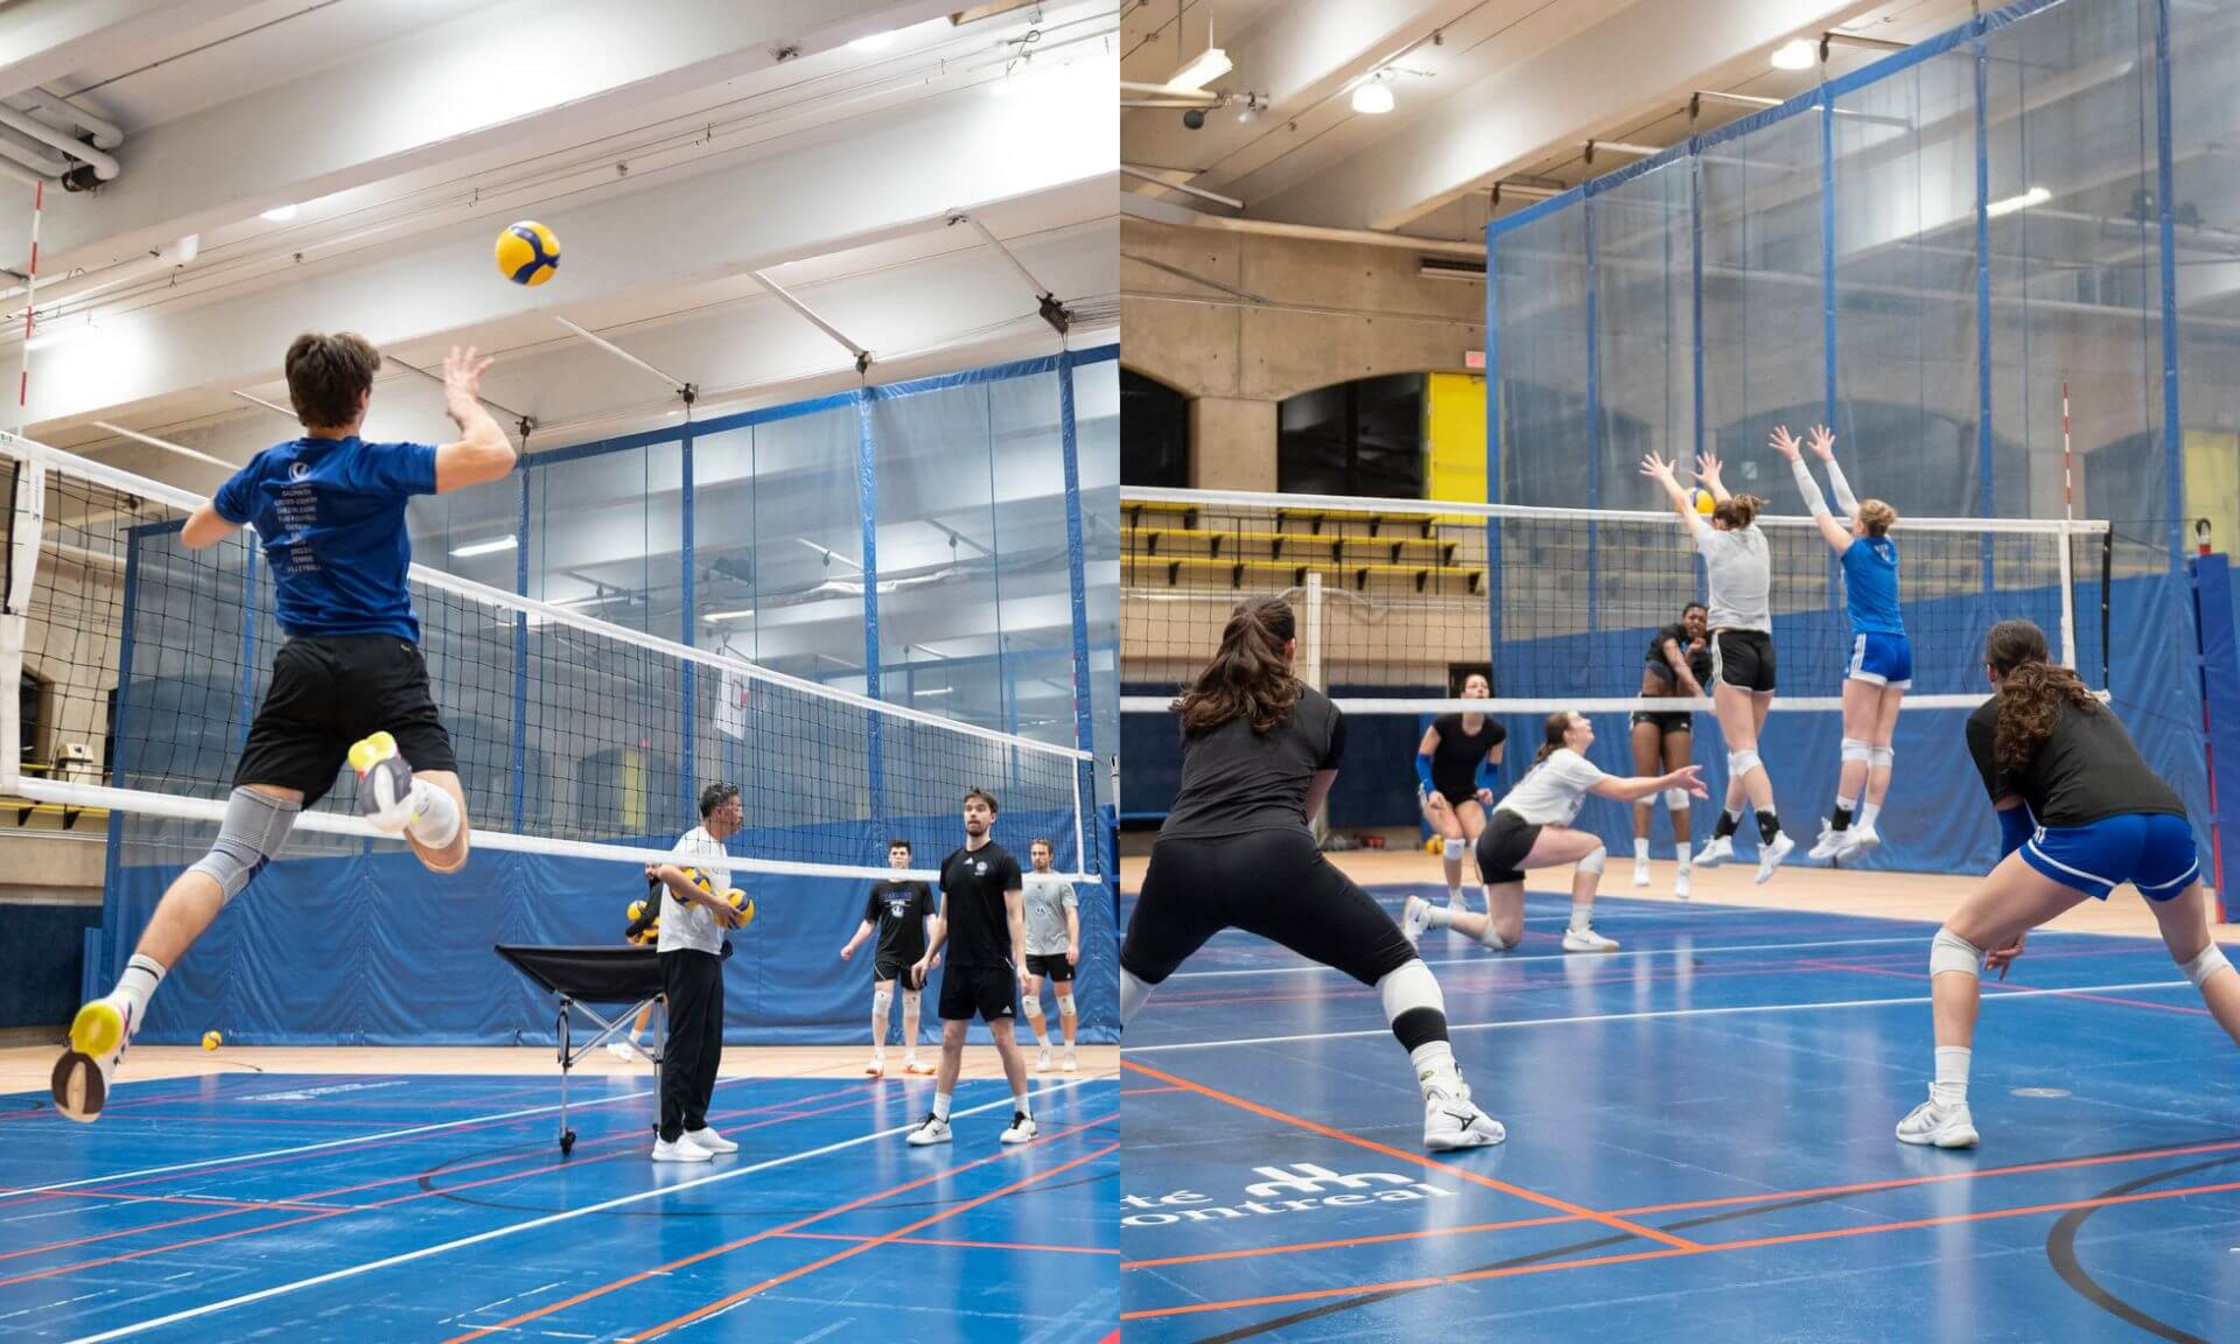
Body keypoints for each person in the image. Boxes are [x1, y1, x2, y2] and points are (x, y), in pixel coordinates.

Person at [51, 337, 514, 1123]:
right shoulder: (376, 464)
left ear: (295, 399)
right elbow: (494, 455)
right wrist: (462, 398)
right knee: (450, 849)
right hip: (382, 663)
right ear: (362, 401)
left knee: (229, 856)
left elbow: (197, 533)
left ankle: (127, 999)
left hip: (299, 673)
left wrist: (254, 513)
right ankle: (397, 793)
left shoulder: (265, 470)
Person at [1118, 596, 1505, 1151]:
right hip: (1272, 854)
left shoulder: (1198, 707)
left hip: (1178, 855)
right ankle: (1447, 1104)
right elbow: (1303, 813)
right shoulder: (1323, 713)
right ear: (1291, 648)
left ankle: (1082, 1084)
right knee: (1398, 963)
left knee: (1132, 978)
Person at [1897, 620, 2240, 1149]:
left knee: (1956, 940)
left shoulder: (1989, 719)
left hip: (2095, 826)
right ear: (2048, 657)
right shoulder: (2088, 701)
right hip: (2166, 820)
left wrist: (2009, 924)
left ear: (1991, 672)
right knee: (2199, 954)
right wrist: (2015, 917)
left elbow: (2015, 829)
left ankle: (1948, 1106)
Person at [1405, 711, 1706, 954]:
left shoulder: (1559, 761)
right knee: (1594, 847)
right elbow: (1621, 790)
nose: (1588, 721)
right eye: (1579, 720)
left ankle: (1427, 914)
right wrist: (1672, 779)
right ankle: (1579, 931)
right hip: (1509, 833)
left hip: (1494, 841)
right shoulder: (1567, 760)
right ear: (1568, 734)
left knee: (1503, 936)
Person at [1641, 450, 1795, 883]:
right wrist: (1714, 480)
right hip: (1766, 650)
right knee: (1744, 755)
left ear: (1721, 523)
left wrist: (1667, 478)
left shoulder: (1713, 542)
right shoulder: (1758, 537)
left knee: (1744, 752)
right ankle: (1724, 834)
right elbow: (1731, 510)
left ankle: (1772, 834)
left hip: (1732, 647)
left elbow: (1684, 506)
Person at [1770, 425, 1907, 861]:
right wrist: (1828, 458)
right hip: (1901, 648)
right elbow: (1852, 506)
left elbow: (1820, 507)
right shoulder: (1888, 546)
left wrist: (1796, 460)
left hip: (1871, 645)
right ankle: (1866, 825)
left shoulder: (1853, 549)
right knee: (1881, 743)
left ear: (1861, 526)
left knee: (1856, 742)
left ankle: (1840, 829)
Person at [907, 790, 1037, 1147]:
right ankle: (940, 1119)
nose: (973, 814)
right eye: (968, 809)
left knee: (1002, 1037)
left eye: (980, 809)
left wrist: (1022, 964)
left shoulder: (1004, 861)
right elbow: (945, 918)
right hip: (957, 965)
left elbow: (1016, 916)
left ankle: (1025, 1117)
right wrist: (925, 955)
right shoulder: (950, 862)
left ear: (992, 816)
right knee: (950, 1040)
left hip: (993, 962)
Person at [644, 782, 750, 1163]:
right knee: (685, 1044)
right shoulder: (696, 841)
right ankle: (668, 1139)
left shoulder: (719, 849)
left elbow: (711, 903)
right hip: (683, 951)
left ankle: (695, 1124)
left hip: (707, 950)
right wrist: (715, 901)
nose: (741, 813)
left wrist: (725, 913)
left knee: (708, 1042)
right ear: (719, 811)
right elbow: (669, 874)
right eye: (736, 807)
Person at [839, 838, 939, 1078]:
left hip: (914, 954)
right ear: (889, 858)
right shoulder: (879, 889)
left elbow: (931, 919)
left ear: (909, 857)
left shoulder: (921, 886)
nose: (898, 856)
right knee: (882, 999)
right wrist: (852, 944)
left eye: (903, 853)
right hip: (887, 953)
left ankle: (911, 1058)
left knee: (912, 1004)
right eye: (895, 853)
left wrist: (932, 952)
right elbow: (869, 923)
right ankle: (878, 1056)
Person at [1630, 602, 1711, 898]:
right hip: (1648, 709)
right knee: (1645, 786)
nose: (1696, 621)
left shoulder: (1705, 657)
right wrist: (1695, 681)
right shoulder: (1668, 634)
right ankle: (1641, 860)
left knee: (1678, 790)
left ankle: (1684, 870)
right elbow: (1672, 670)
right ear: (1683, 619)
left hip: (1677, 713)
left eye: (1702, 619)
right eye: (1692, 616)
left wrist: (1692, 658)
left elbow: (1680, 692)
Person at [1415, 672, 1507, 912]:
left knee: (1482, 844)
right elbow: (1422, 760)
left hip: (1466, 792)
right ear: (1464, 694)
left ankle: (1492, 900)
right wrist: (1431, 790)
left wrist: (1486, 787)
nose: (1480, 690)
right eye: (1474, 686)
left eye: (1484, 687)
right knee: (1455, 839)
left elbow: (1492, 768)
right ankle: (1456, 898)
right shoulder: (1445, 723)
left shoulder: (1496, 732)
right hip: (1437, 791)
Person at [1020, 837, 1081, 1073]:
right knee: (1028, 1001)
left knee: (1065, 1002)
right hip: (1033, 950)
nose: (1037, 857)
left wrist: (1073, 944)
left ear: (1051, 856)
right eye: (1034, 853)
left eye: (1042, 853)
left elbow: (1071, 915)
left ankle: (1069, 1052)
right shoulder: (1022, 882)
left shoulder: (1061, 882)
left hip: (1059, 949)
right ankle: (1045, 1048)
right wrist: (1019, 953)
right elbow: (1018, 917)